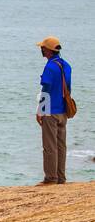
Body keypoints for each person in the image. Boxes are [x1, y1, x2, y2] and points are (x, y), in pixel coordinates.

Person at [36, 36, 73, 185]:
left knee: (49, 146)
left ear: (48, 50)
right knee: (61, 145)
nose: (41, 50)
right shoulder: (66, 65)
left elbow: (46, 88)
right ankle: (61, 177)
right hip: (63, 110)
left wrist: (40, 110)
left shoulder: (50, 67)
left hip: (50, 110)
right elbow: (68, 88)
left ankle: (51, 178)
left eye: (42, 48)